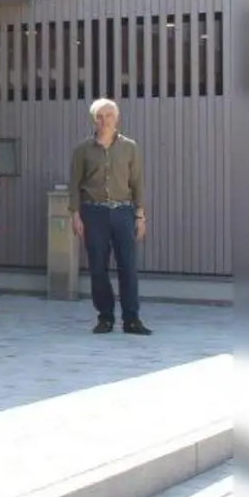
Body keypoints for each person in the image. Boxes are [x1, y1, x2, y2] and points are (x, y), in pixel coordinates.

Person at [69, 98, 151, 335]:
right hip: (93, 213)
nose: (104, 121)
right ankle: (105, 317)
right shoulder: (82, 150)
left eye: (109, 116)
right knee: (98, 267)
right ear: (94, 120)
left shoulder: (130, 147)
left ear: (117, 119)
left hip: (123, 212)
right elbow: (74, 184)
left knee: (128, 266)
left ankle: (131, 319)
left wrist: (140, 215)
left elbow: (137, 183)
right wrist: (75, 215)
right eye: (100, 116)